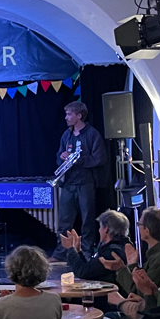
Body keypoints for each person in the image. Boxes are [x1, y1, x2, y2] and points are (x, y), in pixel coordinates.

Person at [52, 101, 107, 257]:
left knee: (88, 220)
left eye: (69, 114)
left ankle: (87, 252)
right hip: (68, 182)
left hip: (86, 183)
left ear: (79, 115)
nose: (66, 117)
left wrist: (77, 159)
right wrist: (62, 157)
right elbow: (59, 155)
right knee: (64, 221)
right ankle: (61, 253)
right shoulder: (67, 135)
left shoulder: (92, 134)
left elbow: (99, 159)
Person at [98, 205, 160, 301]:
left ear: (147, 231)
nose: (138, 227)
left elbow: (140, 292)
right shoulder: (159, 253)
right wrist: (133, 265)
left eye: (139, 224)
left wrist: (121, 269)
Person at [60, 208, 130, 280]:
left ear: (106, 229)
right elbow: (90, 269)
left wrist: (71, 249)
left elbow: (83, 272)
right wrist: (78, 251)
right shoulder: (120, 246)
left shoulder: (111, 253)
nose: (99, 230)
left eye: (100, 227)